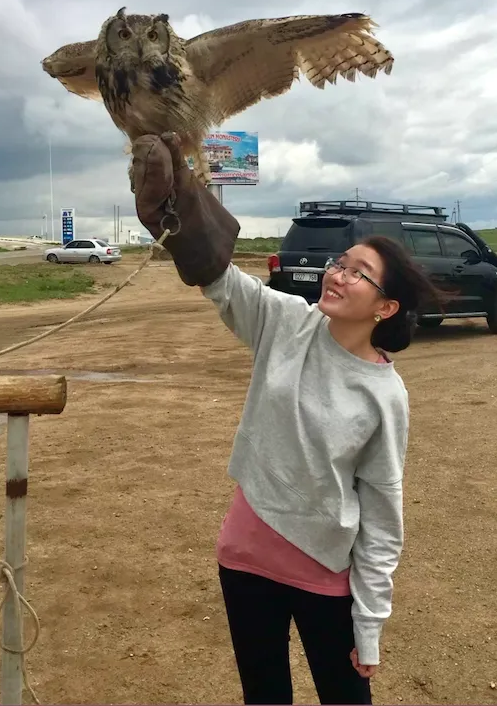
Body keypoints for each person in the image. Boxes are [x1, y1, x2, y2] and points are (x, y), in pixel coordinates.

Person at [130, 133, 439, 705]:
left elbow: (382, 513)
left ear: (386, 307)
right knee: (264, 697)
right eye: (338, 263)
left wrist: (368, 624)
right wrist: (186, 212)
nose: (337, 274)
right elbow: (222, 282)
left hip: (323, 572)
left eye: (358, 273)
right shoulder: (288, 321)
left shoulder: (384, 393)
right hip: (245, 557)